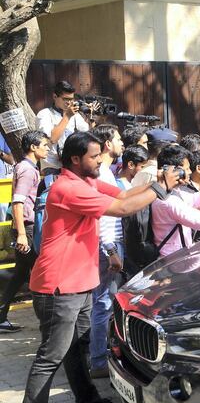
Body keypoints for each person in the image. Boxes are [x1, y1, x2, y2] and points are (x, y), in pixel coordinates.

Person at [16, 131, 180, 403]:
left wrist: (158, 178)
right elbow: (121, 210)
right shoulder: (68, 188)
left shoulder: (86, 181)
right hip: (58, 287)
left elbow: (123, 196)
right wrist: (163, 187)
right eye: (95, 156)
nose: (101, 159)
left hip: (81, 283)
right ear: (76, 159)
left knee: (77, 346)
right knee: (50, 356)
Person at [0, 131, 48, 333]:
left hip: (24, 227)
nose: (47, 148)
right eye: (44, 144)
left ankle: (1, 316)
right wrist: (21, 233)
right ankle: (46, 318)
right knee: (39, 272)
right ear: (33, 147)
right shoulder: (28, 170)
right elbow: (18, 202)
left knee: (20, 273)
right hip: (26, 228)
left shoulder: (24, 167)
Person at [88, 124, 126, 379]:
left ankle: (102, 355)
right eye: (119, 138)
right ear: (107, 144)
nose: (122, 142)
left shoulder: (108, 172)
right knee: (101, 304)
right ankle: (99, 361)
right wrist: (111, 249)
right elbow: (100, 218)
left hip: (111, 245)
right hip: (107, 247)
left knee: (106, 303)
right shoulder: (102, 174)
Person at [36, 81, 94, 175]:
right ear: (55, 96)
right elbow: (51, 139)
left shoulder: (74, 115)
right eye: (65, 99)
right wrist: (67, 117)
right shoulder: (44, 114)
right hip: (52, 167)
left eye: (71, 99)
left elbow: (88, 133)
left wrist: (90, 116)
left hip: (71, 166)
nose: (69, 103)